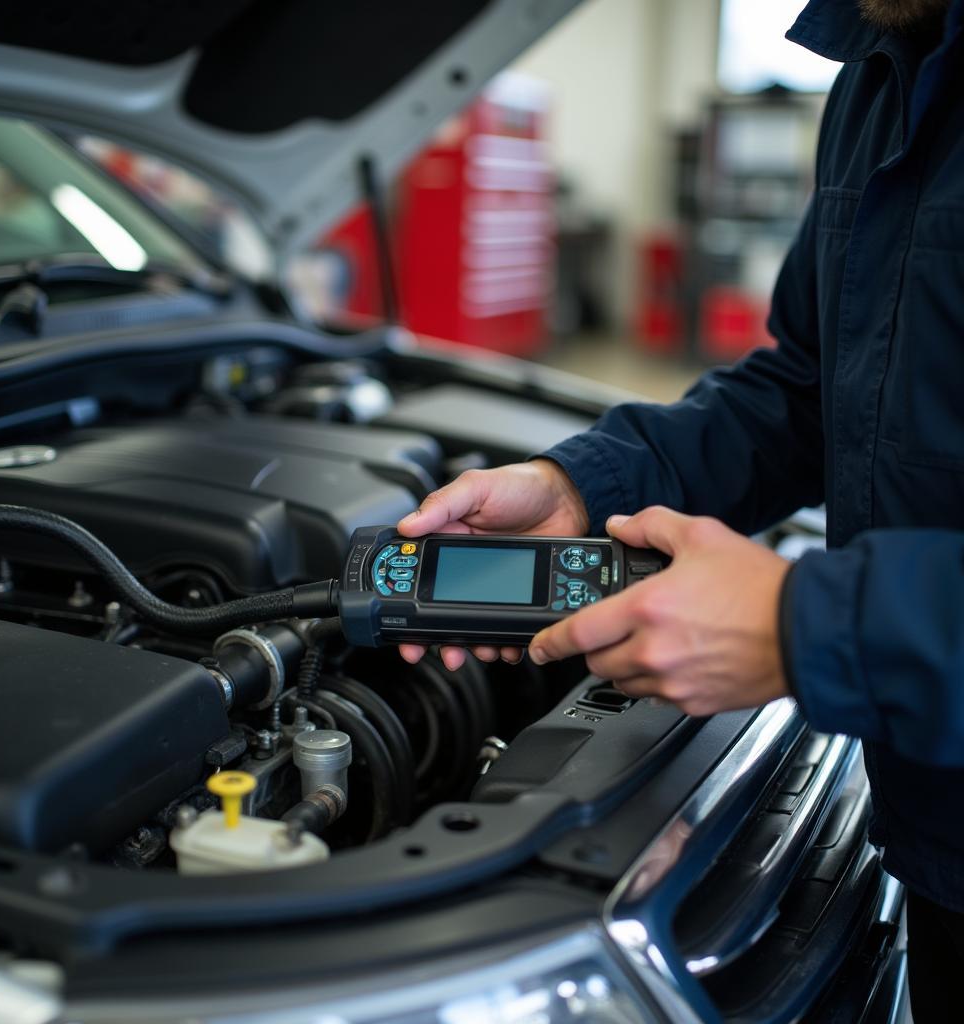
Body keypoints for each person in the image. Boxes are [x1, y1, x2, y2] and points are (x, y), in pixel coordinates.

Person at [396, 0, 963, 1016]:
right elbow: (806, 387)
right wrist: (584, 483)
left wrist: (814, 627)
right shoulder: (880, 73)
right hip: (929, 809)